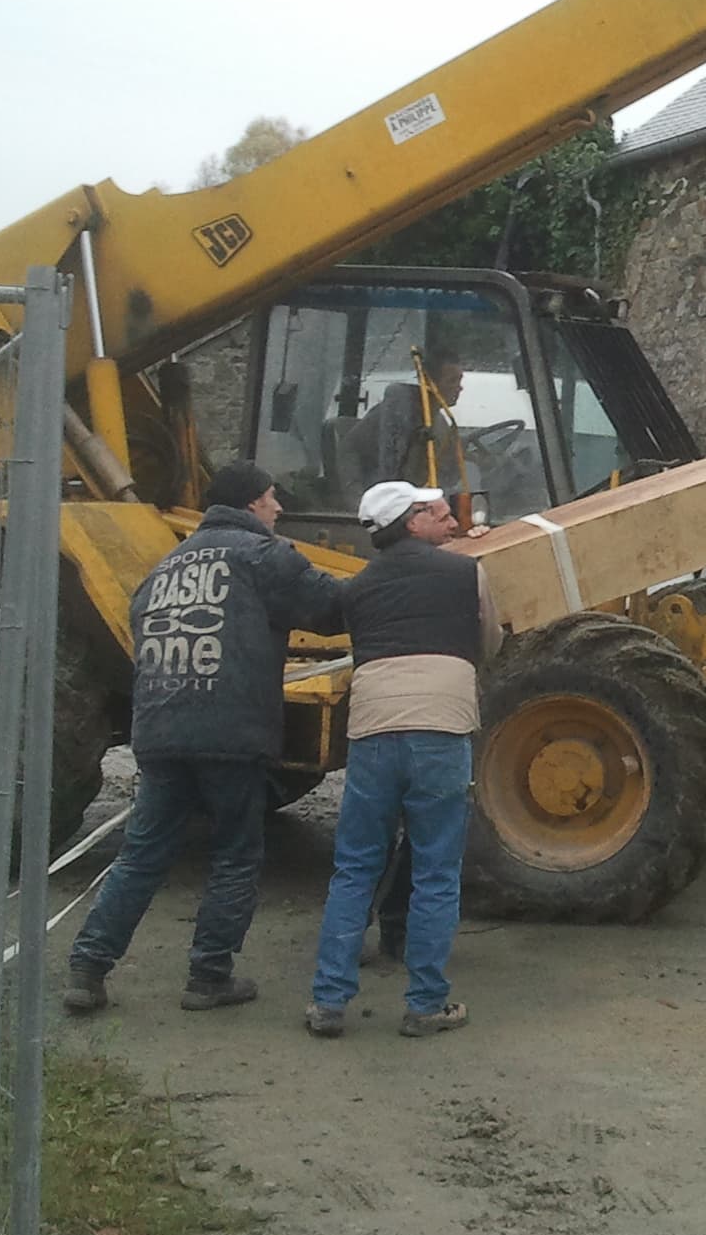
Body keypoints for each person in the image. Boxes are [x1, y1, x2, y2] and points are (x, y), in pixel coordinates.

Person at [63, 460, 345, 1015]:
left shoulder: (164, 568)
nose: (278, 508)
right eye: (270, 498)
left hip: (162, 731)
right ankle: (209, 976)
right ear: (248, 505)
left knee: (143, 854)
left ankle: (88, 968)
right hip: (231, 733)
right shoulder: (264, 556)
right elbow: (331, 607)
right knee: (236, 853)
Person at [305, 479, 500, 1039]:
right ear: (411, 523)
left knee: (355, 867)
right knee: (437, 870)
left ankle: (328, 1002)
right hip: (441, 728)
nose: (444, 515)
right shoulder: (467, 572)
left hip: (371, 731)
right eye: (430, 508)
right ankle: (425, 1004)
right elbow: (490, 641)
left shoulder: (356, 588)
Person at [355, 346, 465, 486]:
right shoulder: (393, 416)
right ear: (428, 382)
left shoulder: (440, 422)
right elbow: (349, 453)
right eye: (452, 381)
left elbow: (446, 474)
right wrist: (358, 500)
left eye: (459, 380)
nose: (460, 388)